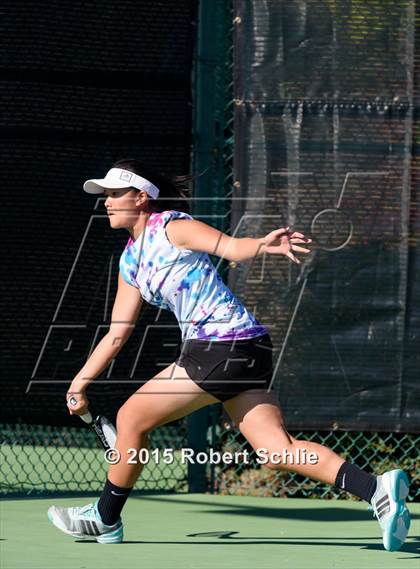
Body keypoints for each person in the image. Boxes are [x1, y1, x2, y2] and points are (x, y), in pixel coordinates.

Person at [47, 159, 411, 550]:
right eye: (106, 195)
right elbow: (118, 333)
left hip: (222, 345)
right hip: (246, 347)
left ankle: (105, 518)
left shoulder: (172, 225)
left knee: (131, 417)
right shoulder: (130, 262)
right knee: (276, 450)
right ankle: (377, 490)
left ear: (141, 197)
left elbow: (230, 247)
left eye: (115, 193)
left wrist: (261, 244)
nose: (107, 202)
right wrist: (80, 380)